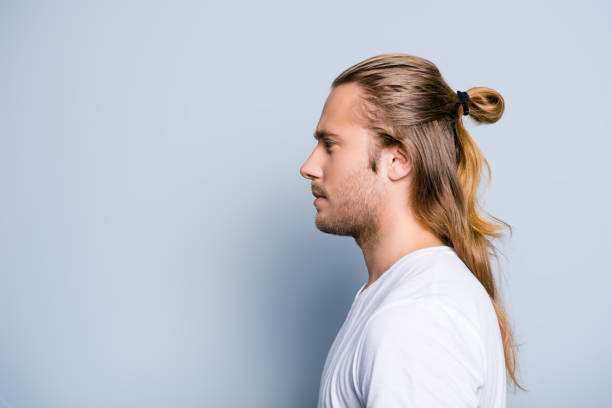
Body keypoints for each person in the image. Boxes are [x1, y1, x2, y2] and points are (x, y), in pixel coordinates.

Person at [299, 53, 525, 407]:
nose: (309, 167)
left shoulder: (416, 319)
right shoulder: (400, 297)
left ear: (398, 160)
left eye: (330, 145)